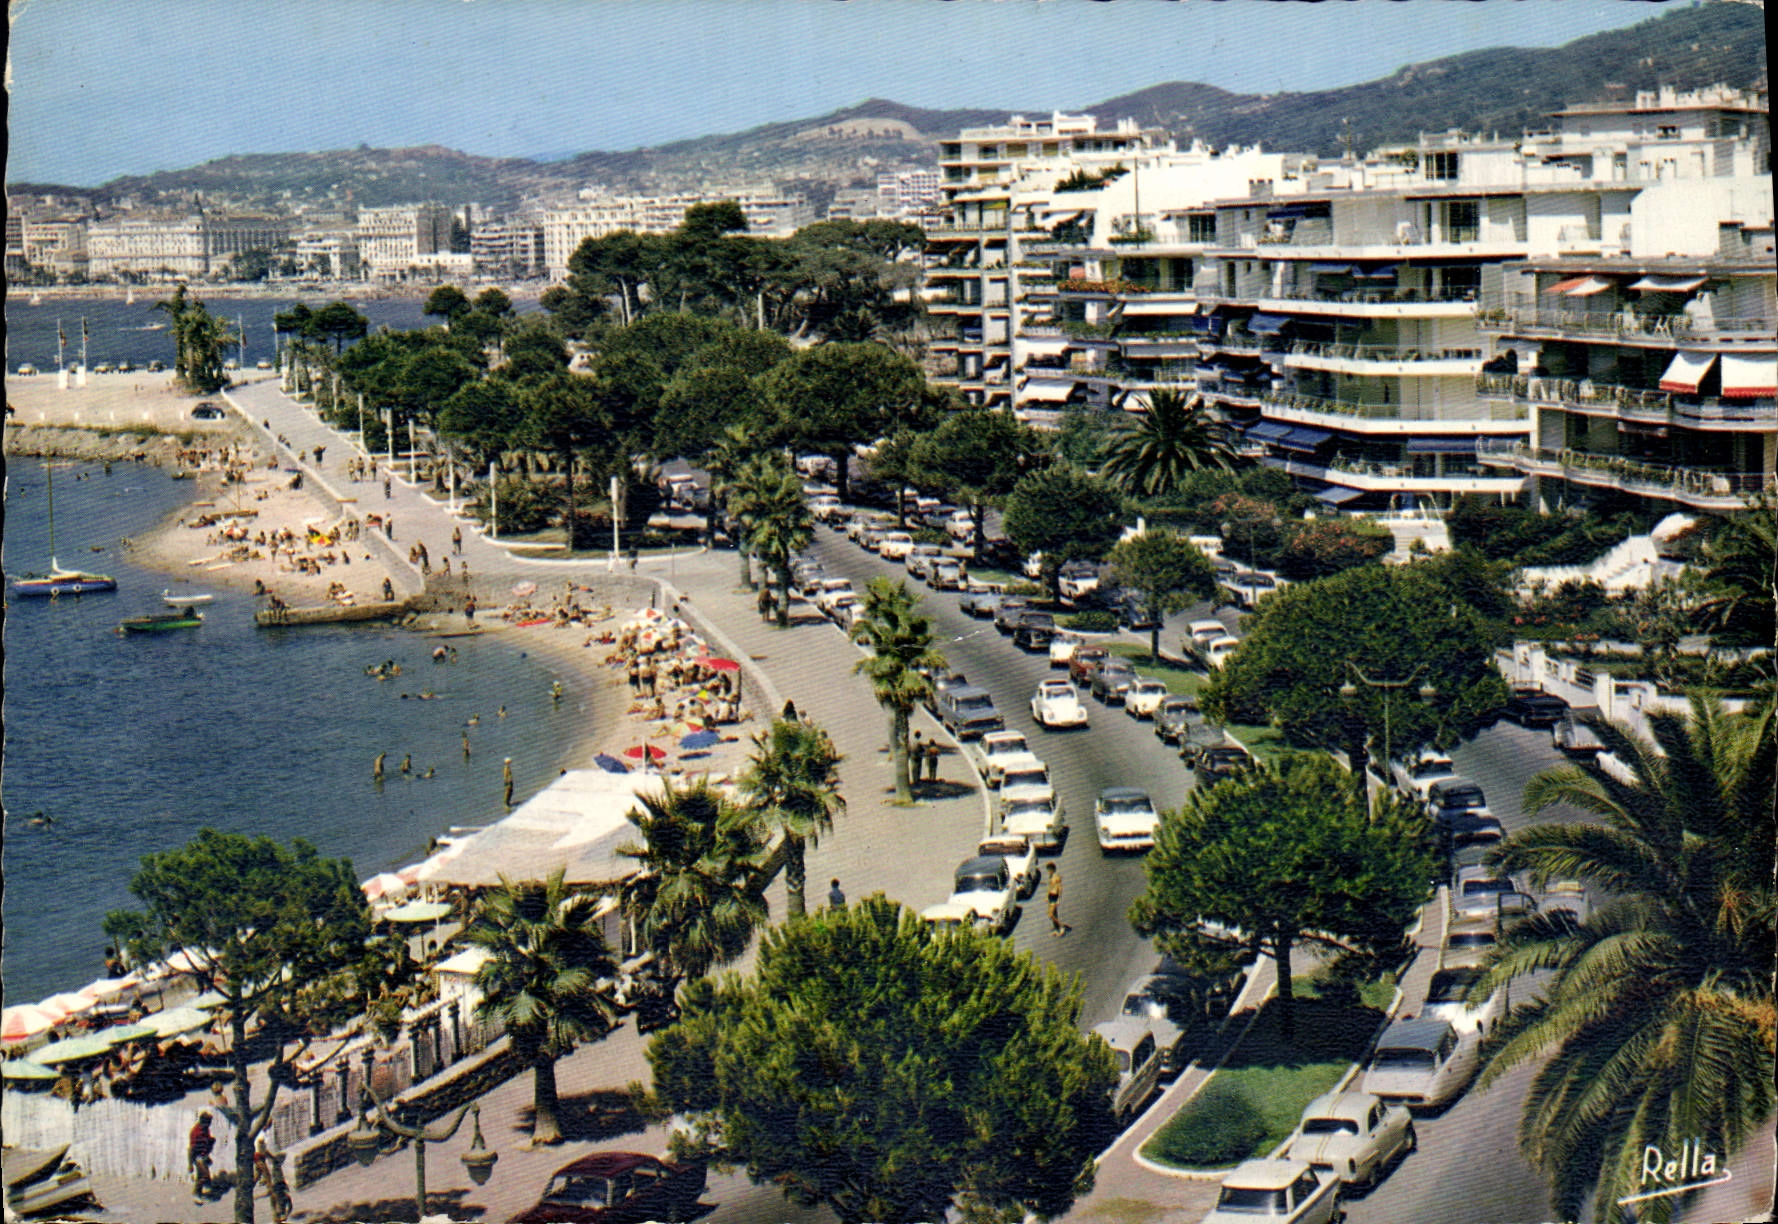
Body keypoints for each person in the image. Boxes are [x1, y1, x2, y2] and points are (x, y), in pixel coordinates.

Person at [254, 1129, 292, 1224]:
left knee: (275, 1198)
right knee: (266, 1178)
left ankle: (278, 1216)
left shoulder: (275, 1166)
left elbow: (266, 1152)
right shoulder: (275, 1166)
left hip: (277, 1184)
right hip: (277, 1183)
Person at [189, 1111, 216, 1202]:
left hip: (203, 1155)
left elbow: (206, 1142)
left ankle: (200, 1192)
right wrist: (190, 1164)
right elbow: (191, 1149)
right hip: (198, 1156)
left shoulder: (205, 1129)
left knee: (202, 1175)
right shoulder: (196, 1132)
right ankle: (196, 1193)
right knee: (203, 1176)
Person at [1046, 863, 1070, 937]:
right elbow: (1050, 887)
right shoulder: (1051, 877)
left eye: (1049, 869)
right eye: (1048, 870)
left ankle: (1061, 927)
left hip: (1054, 897)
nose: (1048, 871)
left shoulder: (1056, 877)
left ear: (1053, 869)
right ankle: (1057, 928)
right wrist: (1047, 896)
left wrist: (1059, 899)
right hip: (1051, 896)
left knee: (1051, 915)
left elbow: (1060, 888)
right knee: (1054, 914)